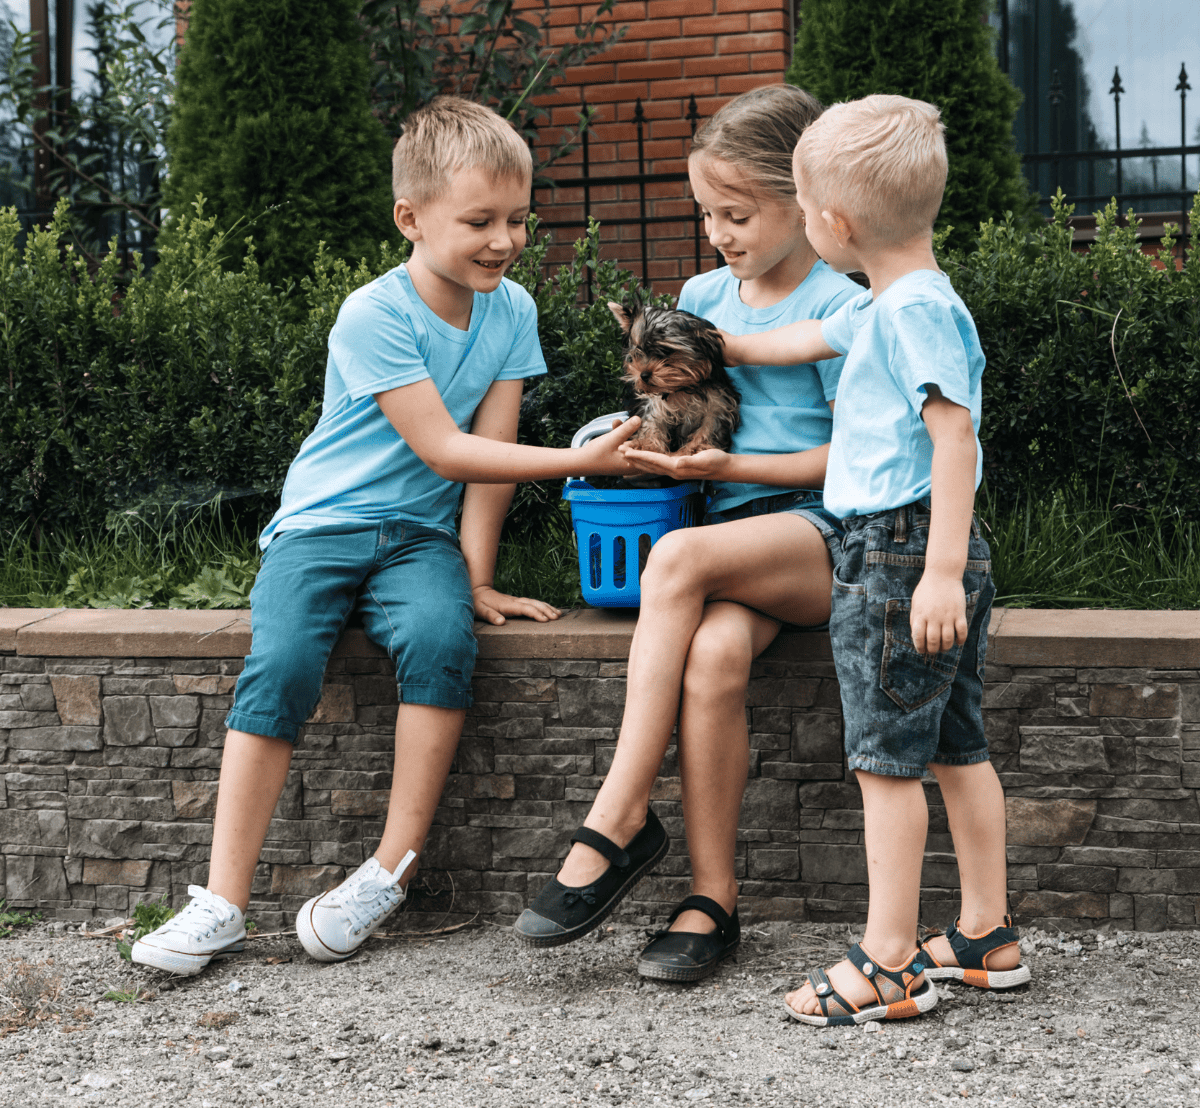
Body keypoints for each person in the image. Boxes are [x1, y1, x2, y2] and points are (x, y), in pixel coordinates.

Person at [132, 96, 641, 976]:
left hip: (417, 538)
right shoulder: (374, 313)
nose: (504, 239)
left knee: (445, 641)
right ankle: (219, 903)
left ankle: (387, 872)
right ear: (411, 217)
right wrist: (577, 457)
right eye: (479, 220)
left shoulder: (511, 310)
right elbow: (445, 446)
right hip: (323, 525)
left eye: (518, 219)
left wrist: (474, 577)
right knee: (284, 661)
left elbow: (483, 466)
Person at [513, 85, 862, 983]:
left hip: (817, 537)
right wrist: (622, 444)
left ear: (808, 199)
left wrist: (729, 473)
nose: (719, 233)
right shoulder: (705, 295)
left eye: (738, 213)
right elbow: (668, 404)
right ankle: (713, 901)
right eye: (706, 213)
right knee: (711, 661)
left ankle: (619, 814)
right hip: (724, 544)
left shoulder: (842, 306)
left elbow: (860, 461)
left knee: (676, 554)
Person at [725, 95, 1028, 1025]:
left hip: (899, 552)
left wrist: (938, 572)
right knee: (952, 747)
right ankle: (986, 936)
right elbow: (802, 339)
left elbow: (955, 440)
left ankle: (889, 961)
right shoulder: (892, 302)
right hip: (906, 548)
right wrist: (718, 344)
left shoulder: (916, 316)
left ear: (837, 224)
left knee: (885, 763)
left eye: (806, 207)